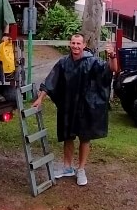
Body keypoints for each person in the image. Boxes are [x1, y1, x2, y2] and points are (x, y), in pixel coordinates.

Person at [31, 33, 118, 186]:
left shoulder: (92, 62)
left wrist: (112, 56)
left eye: (78, 44)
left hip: (86, 107)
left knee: (85, 138)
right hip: (68, 105)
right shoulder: (63, 62)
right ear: (69, 44)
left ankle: (81, 169)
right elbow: (51, 80)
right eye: (73, 43)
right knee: (68, 136)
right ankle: (67, 167)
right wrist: (40, 98)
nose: (75, 46)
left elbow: (110, 70)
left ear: (84, 45)